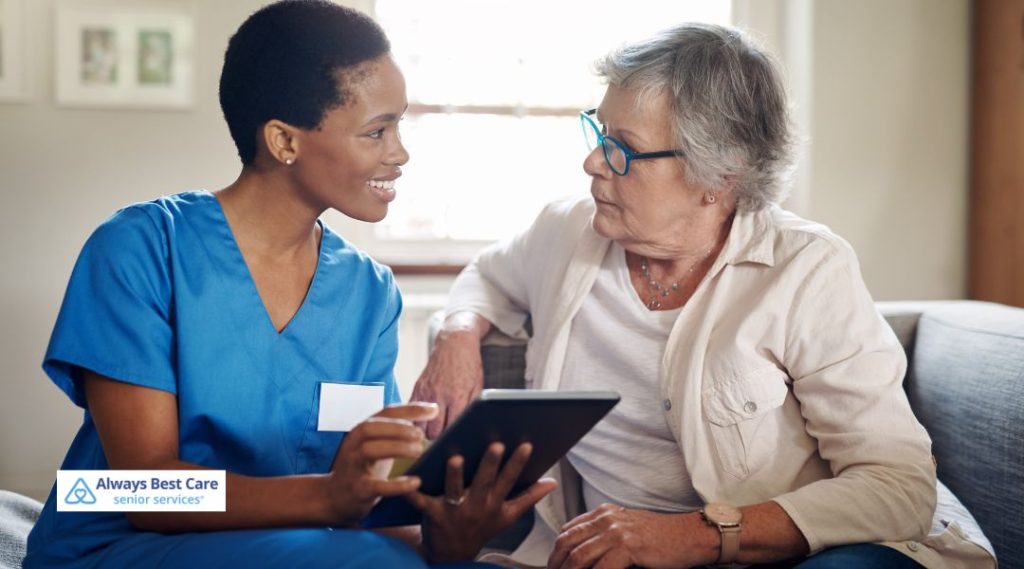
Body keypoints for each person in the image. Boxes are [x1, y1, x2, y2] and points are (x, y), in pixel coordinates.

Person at [412, 23, 996, 569]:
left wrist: (693, 534)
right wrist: (459, 334)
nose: (592, 162)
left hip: (782, 554)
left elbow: (898, 487)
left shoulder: (805, 268)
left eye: (623, 149)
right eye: (597, 131)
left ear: (719, 178)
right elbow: (486, 277)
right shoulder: (565, 232)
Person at [24, 2, 554, 567]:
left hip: (306, 543)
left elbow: (366, 500)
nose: (400, 153)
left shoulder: (368, 291)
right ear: (284, 141)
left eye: (399, 124)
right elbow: (139, 491)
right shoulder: (140, 248)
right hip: (119, 545)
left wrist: (448, 539)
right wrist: (327, 496)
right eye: (377, 131)